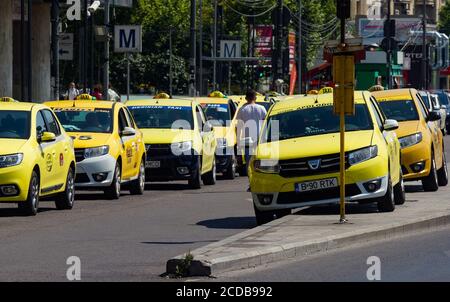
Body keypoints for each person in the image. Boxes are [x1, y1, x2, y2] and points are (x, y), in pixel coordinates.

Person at [236, 90, 267, 190]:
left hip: (247, 140)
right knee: (261, 162)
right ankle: (262, 183)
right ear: (255, 98)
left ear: (246, 98)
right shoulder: (262, 108)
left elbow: (239, 127)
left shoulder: (242, 110)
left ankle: (251, 184)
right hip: (260, 140)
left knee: (249, 163)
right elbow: (266, 124)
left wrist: (238, 144)